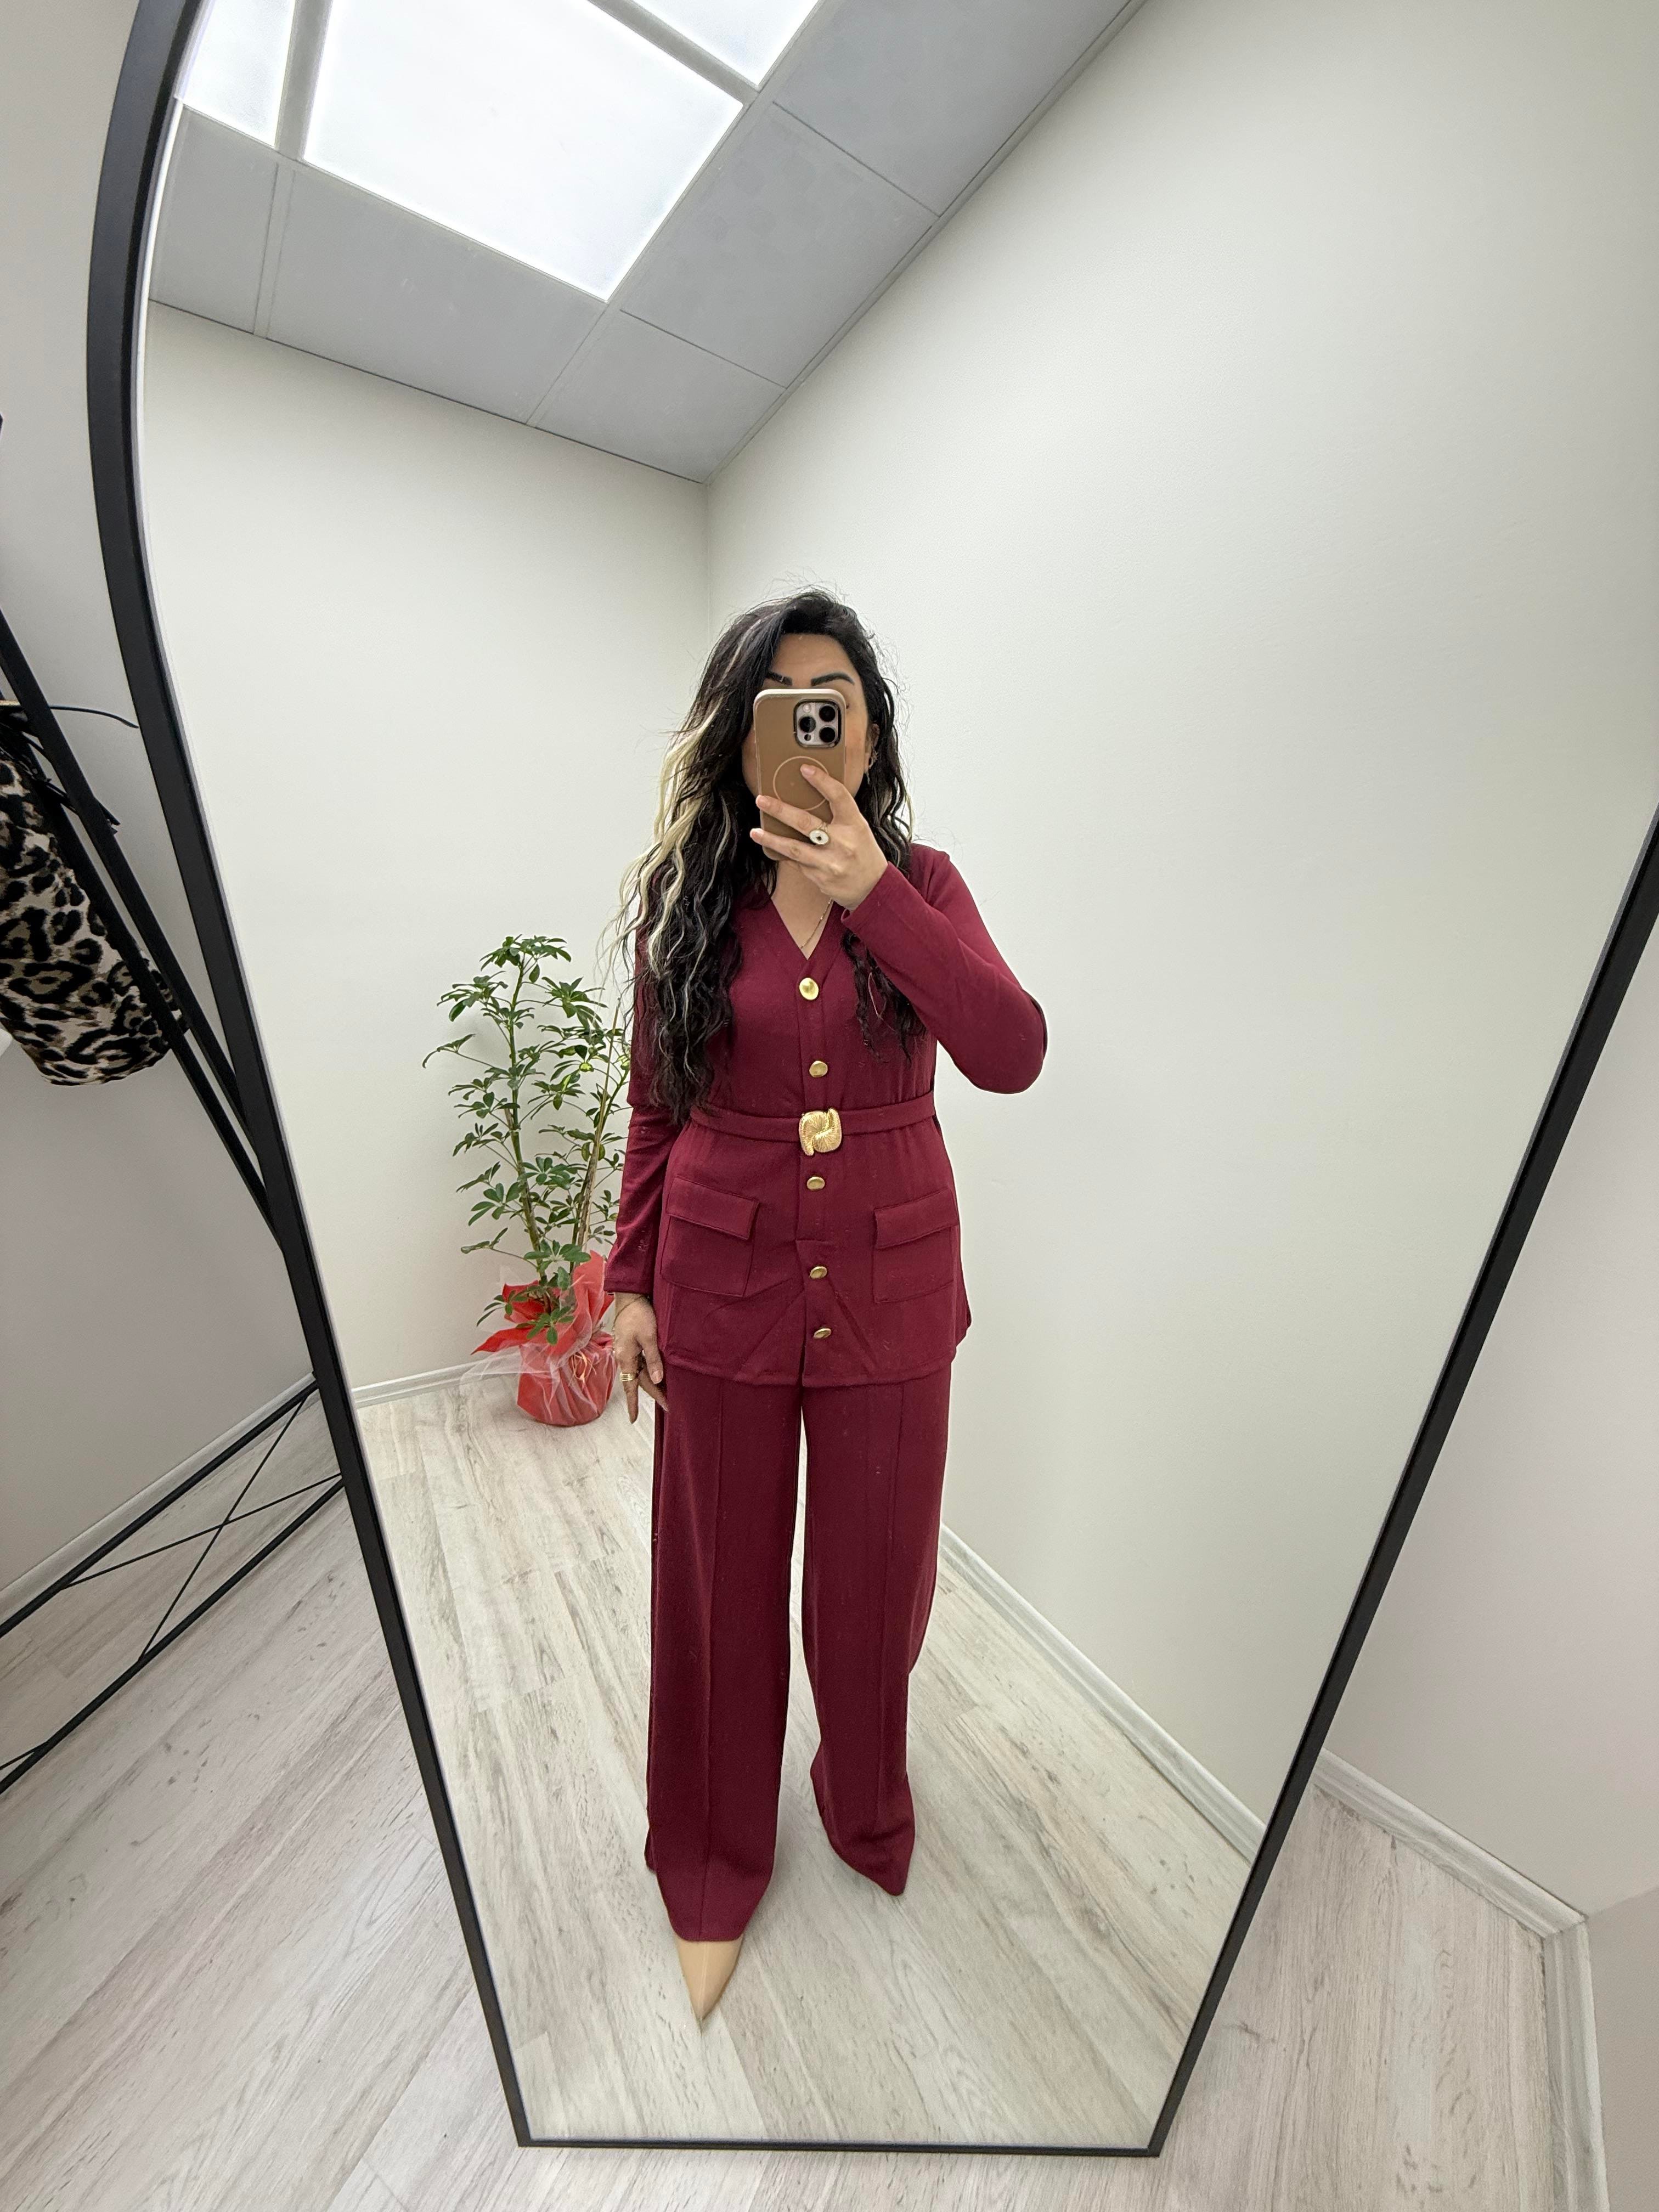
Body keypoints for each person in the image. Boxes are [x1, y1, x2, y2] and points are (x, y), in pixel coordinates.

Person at [603, 589, 1046, 2022]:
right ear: (740, 737)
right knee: (715, 1588)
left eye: (835, 701)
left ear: (866, 732)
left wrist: (874, 894)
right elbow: (656, 1107)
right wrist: (627, 1281)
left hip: (892, 1282)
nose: (812, 724)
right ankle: (711, 1859)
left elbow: (1011, 1050)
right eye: (783, 702)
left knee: (874, 1585)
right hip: (719, 1276)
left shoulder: (926, 882)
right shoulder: (689, 902)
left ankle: (865, 1804)